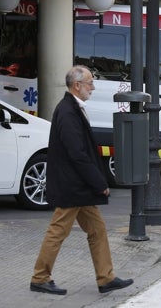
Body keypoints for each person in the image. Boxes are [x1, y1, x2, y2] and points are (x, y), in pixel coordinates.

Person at [30, 65, 133, 295]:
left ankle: (106, 278)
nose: (93, 87)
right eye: (90, 83)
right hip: (72, 186)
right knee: (58, 231)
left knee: (97, 230)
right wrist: (100, 183)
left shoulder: (72, 108)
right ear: (77, 85)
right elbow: (77, 153)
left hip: (78, 187)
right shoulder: (67, 111)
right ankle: (39, 277)